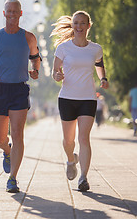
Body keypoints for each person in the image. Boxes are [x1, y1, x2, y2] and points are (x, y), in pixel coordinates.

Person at [0, 0, 41, 193]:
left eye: (16, 11)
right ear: (4, 13)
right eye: (9, 11)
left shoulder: (29, 37)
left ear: (20, 14)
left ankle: (12, 178)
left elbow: (35, 57)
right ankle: (7, 151)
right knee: (0, 139)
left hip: (19, 90)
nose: (12, 14)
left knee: (17, 134)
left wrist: (35, 70)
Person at [50, 11, 109, 192]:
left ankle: (83, 177)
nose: (79, 26)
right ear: (72, 25)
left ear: (88, 26)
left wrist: (103, 79)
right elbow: (55, 72)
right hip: (67, 98)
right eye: (76, 23)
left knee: (84, 138)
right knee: (68, 141)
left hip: (87, 99)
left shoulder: (95, 49)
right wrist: (57, 75)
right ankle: (70, 160)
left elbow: (99, 64)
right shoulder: (63, 48)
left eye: (83, 23)